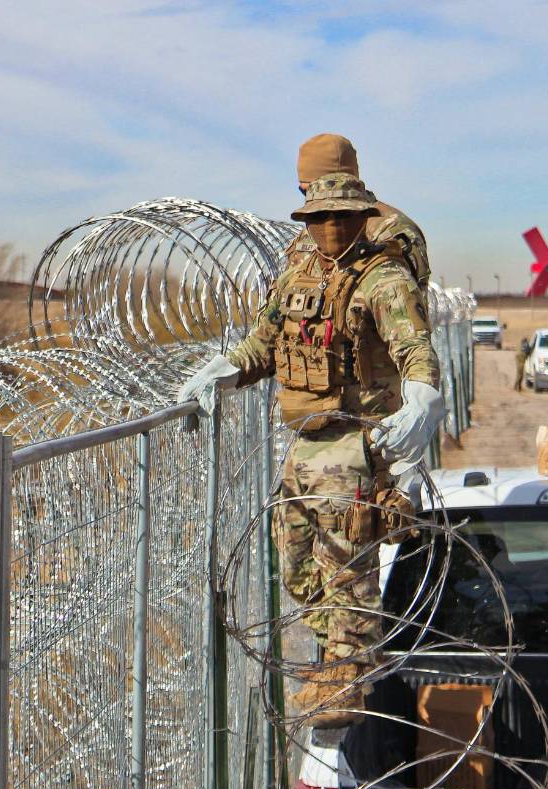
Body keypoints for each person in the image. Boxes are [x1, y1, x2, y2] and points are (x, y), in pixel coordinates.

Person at [178, 173, 444, 728]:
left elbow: (414, 348)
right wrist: (222, 370)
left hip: (352, 442)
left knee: (346, 563)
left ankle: (346, 679)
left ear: (360, 218)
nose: (330, 227)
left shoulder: (384, 278)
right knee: (298, 561)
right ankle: (335, 657)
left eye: (342, 217)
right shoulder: (300, 277)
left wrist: (422, 397)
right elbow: (265, 344)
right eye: (319, 218)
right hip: (304, 441)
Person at [288, 133, 431, 287]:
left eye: (310, 192)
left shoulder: (394, 231)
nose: (309, 202)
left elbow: (407, 302)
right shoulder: (311, 230)